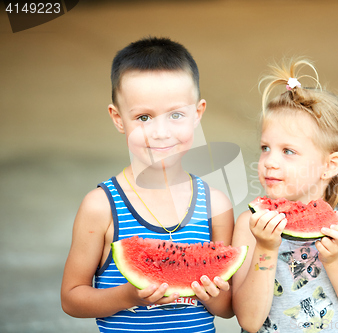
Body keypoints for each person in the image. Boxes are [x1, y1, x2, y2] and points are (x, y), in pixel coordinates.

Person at [61, 37, 234, 333]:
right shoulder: (101, 205)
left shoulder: (215, 204)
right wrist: (128, 296)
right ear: (118, 119)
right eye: (144, 117)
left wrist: (212, 292)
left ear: (198, 114)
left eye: (176, 115)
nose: (161, 132)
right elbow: (72, 298)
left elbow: (228, 309)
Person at [232, 59, 338, 332]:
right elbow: (249, 321)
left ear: (330, 165)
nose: (270, 161)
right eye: (265, 147)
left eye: (288, 151)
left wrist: (336, 261)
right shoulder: (249, 225)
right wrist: (265, 249)